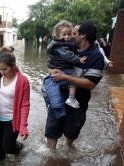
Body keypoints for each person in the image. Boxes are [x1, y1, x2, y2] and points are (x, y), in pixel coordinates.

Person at [45, 20, 105, 150]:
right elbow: (52, 62)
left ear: (83, 35)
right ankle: (50, 156)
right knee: (52, 130)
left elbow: (90, 84)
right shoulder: (69, 46)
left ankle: (68, 149)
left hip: (78, 101)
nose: (71, 36)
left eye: (74, 33)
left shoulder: (96, 57)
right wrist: (51, 71)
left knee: (71, 132)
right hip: (59, 96)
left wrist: (65, 77)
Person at [0, 46, 30, 160]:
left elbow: (25, 105)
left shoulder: (23, 81)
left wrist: (23, 126)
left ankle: (20, 147)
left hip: (12, 120)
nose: (2, 72)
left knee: (8, 148)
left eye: (4, 69)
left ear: (13, 65)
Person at [43, 20, 87, 111]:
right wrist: (78, 59)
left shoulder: (58, 43)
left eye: (69, 34)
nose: (67, 37)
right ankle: (71, 97)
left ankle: (48, 91)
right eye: (64, 35)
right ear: (57, 34)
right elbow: (68, 56)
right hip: (61, 68)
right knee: (74, 79)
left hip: (56, 67)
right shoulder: (60, 46)